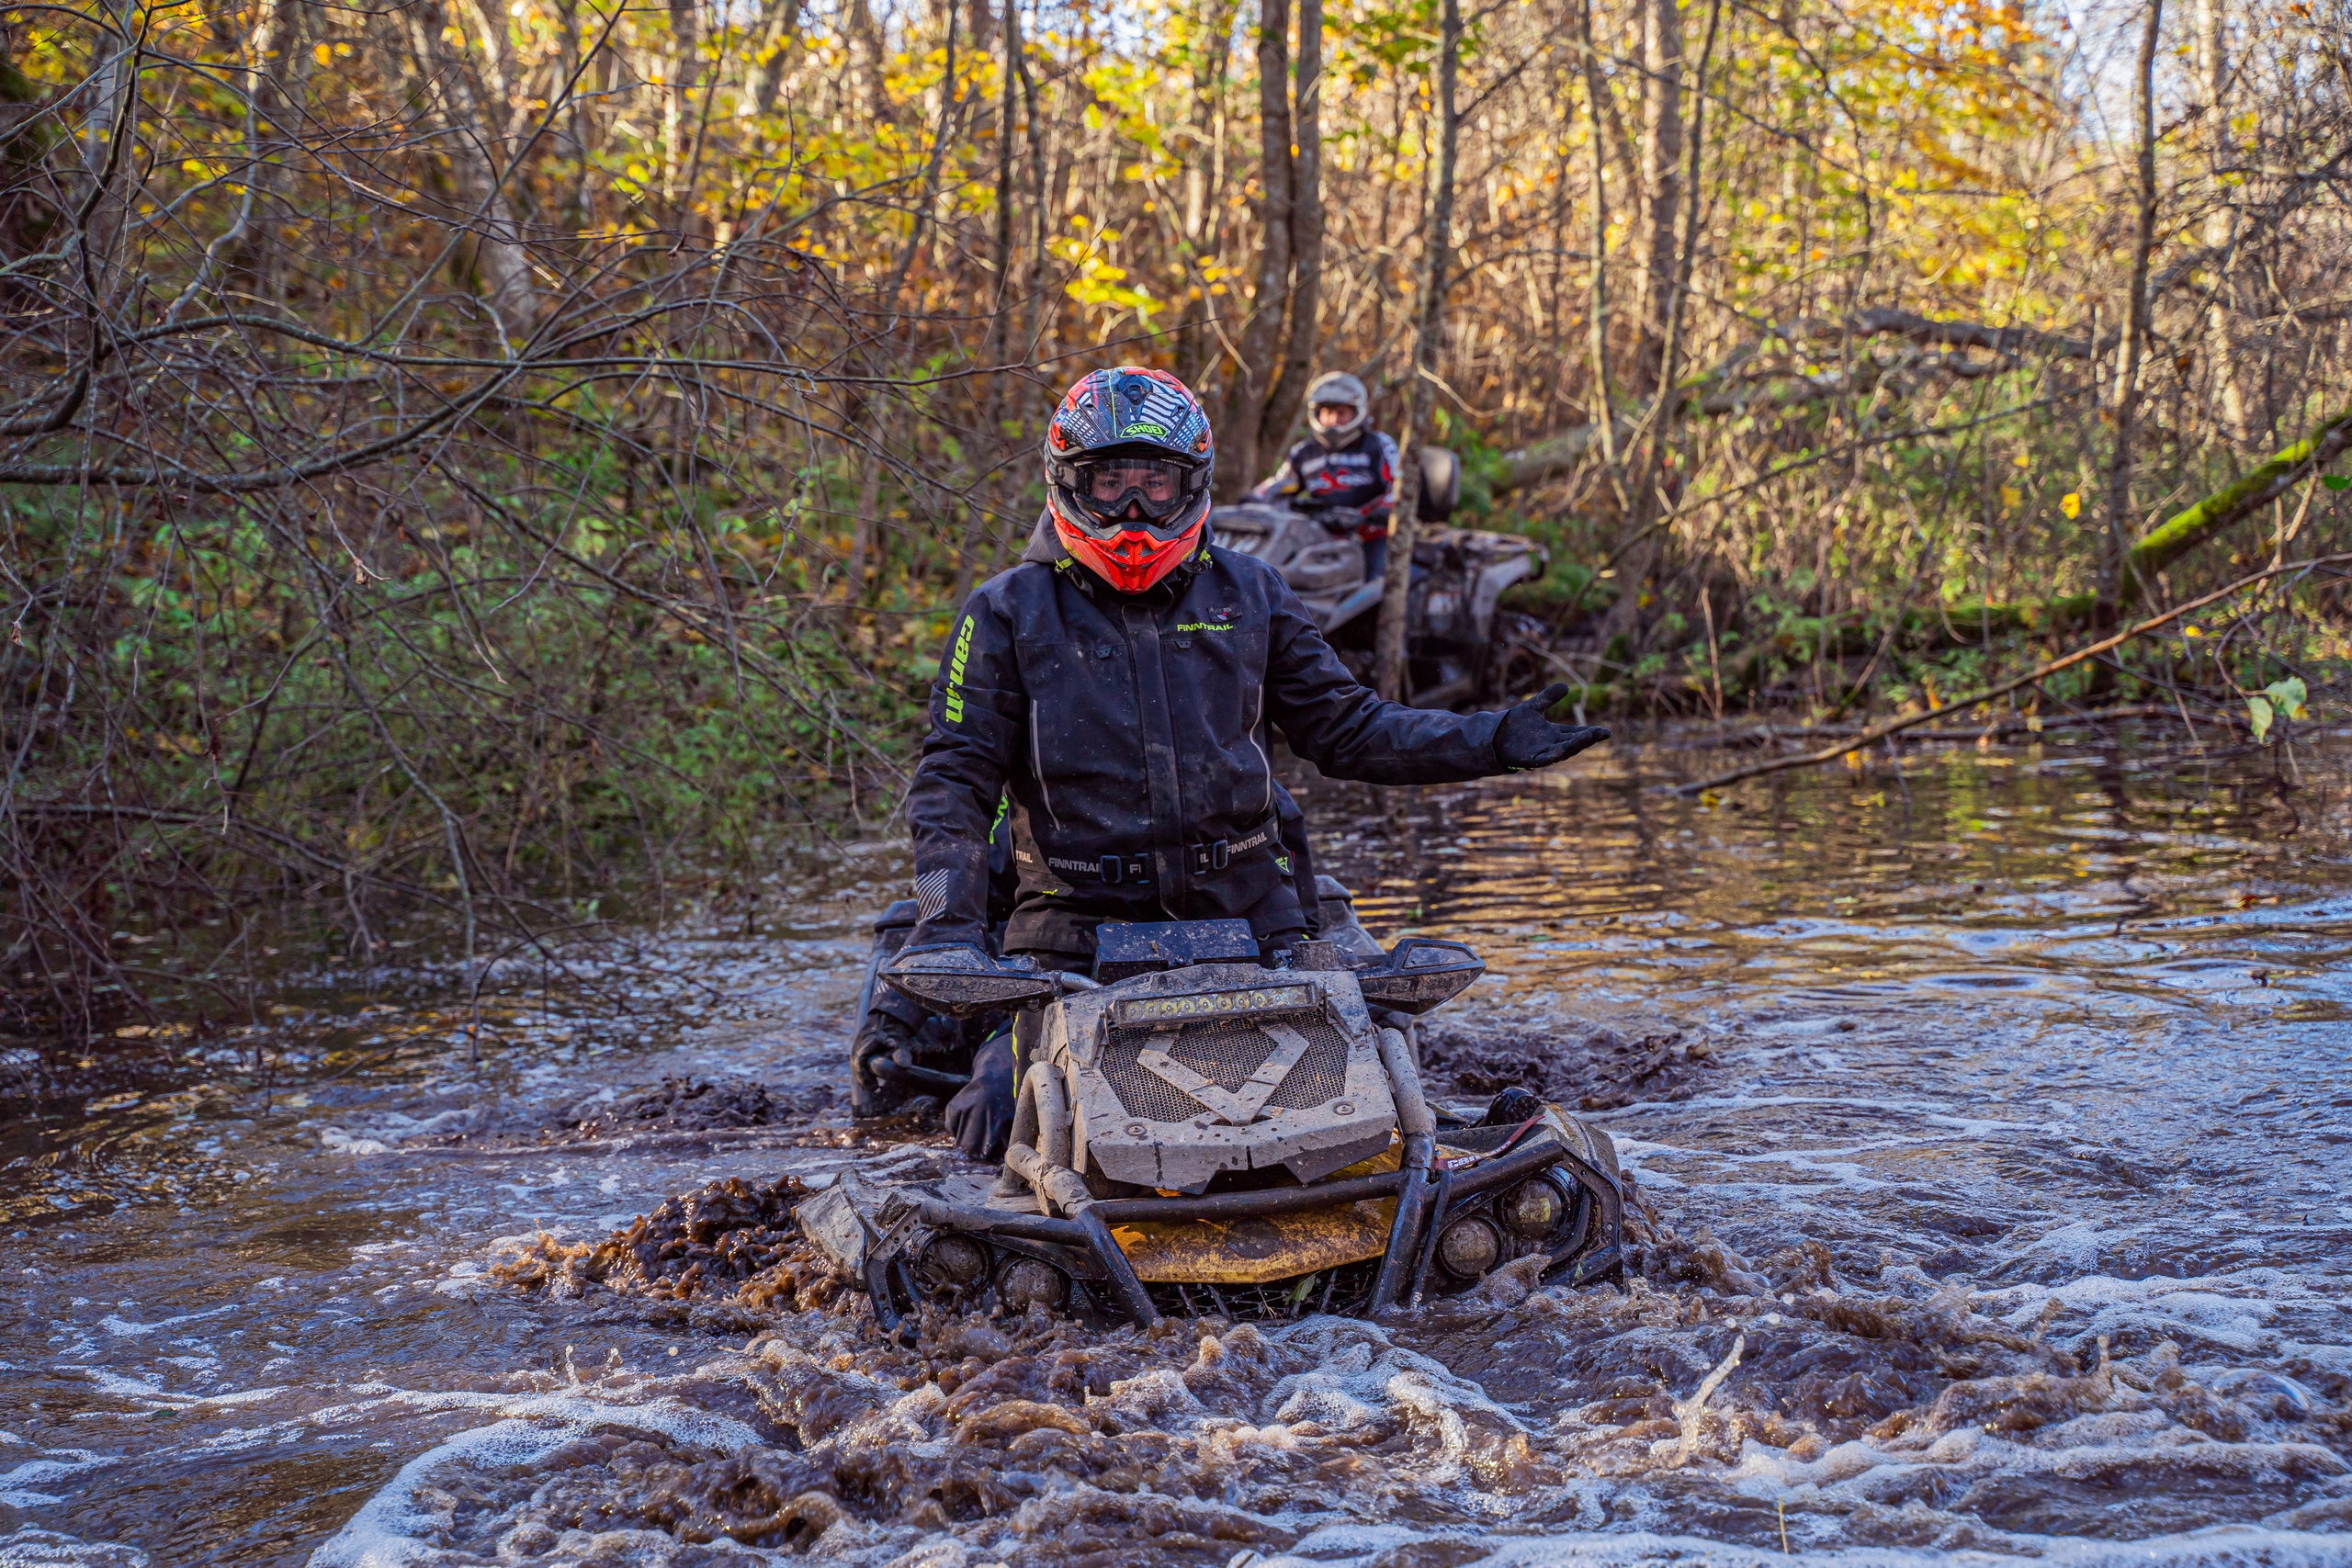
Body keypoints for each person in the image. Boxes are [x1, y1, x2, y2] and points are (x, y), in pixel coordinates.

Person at [889, 366, 1608, 1159]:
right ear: (1068, 484)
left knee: (1382, 1104)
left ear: (1193, 485)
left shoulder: (1251, 590)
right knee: (997, 1110)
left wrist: (1491, 740)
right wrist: (945, 927)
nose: (1134, 511)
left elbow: (1349, 727)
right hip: (1070, 921)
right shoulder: (1003, 611)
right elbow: (953, 778)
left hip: (1254, 906)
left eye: (1155, 486)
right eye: (1111, 485)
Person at [1250, 370, 1400, 581]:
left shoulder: (1378, 445)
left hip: (1369, 536)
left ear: (1357, 412)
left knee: (1377, 587)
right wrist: (1255, 499)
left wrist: (1371, 515)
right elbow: (1282, 484)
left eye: (1341, 413)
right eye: (1327, 412)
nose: (1333, 420)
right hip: (1316, 535)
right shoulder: (1305, 452)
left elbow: (1398, 488)